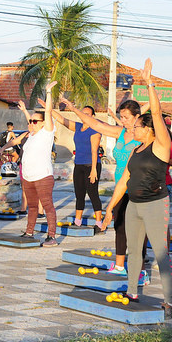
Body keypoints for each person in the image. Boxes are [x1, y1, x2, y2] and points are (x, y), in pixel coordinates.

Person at [104, 58, 172, 318]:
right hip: (133, 205)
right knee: (134, 250)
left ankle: (169, 300)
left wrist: (149, 84)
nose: (130, 128)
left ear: (147, 129)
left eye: (135, 125)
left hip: (156, 204)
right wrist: (110, 208)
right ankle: (132, 290)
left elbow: (156, 113)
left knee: (160, 253)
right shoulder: (135, 148)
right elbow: (124, 180)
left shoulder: (160, 145)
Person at [62, 97, 146, 279]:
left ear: (137, 117)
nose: (122, 120)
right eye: (121, 117)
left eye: (125, 117)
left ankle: (139, 269)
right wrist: (74, 109)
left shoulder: (145, 136)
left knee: (139, 231)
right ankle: (119, 265)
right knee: (120, 227)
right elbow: (96, 124)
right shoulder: (120, 133)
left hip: (138, 188)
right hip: (120, 187)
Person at [0, 81, 59, 247]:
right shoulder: (29, 135)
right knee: (32, 207)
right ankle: (29, 232)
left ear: (44, 123)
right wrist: (25, 111)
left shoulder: (47, 133)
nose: (31, 123)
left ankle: (51, 236)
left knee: (47, 206)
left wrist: (49, 92)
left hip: (43, 176)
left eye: (35, 122)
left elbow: (47, 112)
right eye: (30, 121)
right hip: (28, 177)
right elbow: (22, 131)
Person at [51, 103, 103, 230]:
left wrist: (94, 170)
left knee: (92, 193)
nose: (84, 116)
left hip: (92, 165)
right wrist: (48, 108)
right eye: (83, 113)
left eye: (87, 114)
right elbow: (62, 120)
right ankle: (78, 220)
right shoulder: (79, 127)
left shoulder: (95, 129)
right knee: (79, 194)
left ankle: (99, 223)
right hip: (78, 165)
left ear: (93, 116)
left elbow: (94, 151)